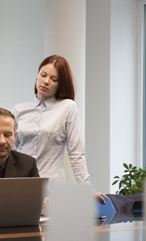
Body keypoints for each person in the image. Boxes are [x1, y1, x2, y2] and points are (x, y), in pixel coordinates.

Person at [12, 55, 106, 202]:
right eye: (43, 75)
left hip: (52, 189)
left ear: (60, 84)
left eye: (54, 79)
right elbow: (12, 152)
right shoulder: (19, 110)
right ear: (37, 75)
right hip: (21, 186)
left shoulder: (68, 107)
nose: (46, 81)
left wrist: (86, 187)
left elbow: (76, 152)